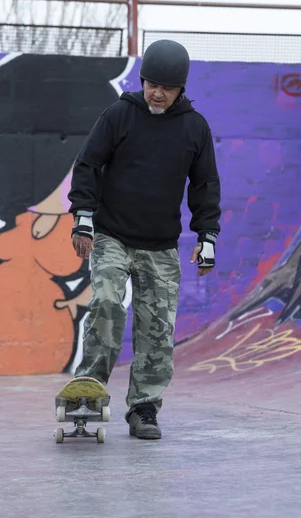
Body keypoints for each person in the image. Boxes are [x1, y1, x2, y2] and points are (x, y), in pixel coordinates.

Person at [67, 39, 221, 439]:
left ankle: (144, 409)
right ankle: (89, 391)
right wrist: (83, 219)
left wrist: (208, 236)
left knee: (157, 330)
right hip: (112, 234)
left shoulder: (194, 127)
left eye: (166, 88)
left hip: (161, 245)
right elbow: (87, 164)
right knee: (104, 302)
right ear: (143, 80)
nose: (157, 93)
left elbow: (204, 185)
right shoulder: (120, 115)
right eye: (152, 84)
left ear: (180, 89)